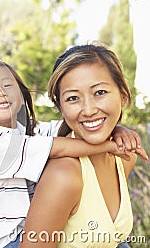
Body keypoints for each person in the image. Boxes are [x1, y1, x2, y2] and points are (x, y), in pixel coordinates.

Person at [0, 59, 147, 248]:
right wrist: (109, 146)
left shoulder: (23, 131)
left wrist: (117, 129)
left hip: (22, 232)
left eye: (7, 85)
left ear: (21, 96)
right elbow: (58, 146)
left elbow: (75, 126)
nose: (0, 92)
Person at [19, 43, 146, 247]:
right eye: (73, 98)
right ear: (61, 108)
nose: (88, 110)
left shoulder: (125, 157)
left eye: (99, 92)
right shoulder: (64, 175)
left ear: (123, 96)